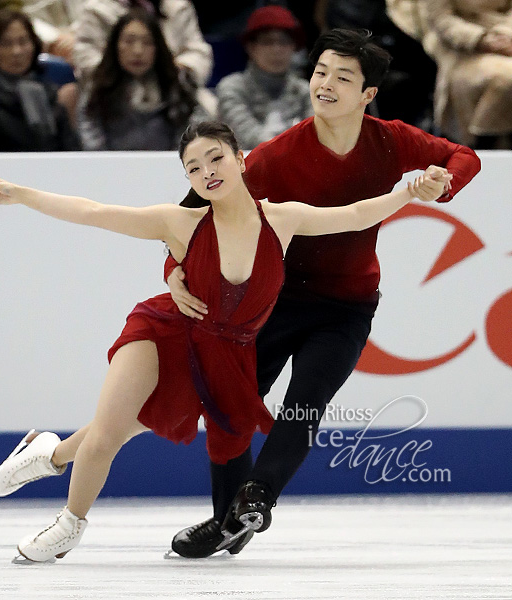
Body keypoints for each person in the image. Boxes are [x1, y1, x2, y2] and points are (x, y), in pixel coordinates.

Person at [0, 120, 448, 563]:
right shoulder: (180, 223)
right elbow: (94, 212)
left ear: (242, 159)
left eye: (216, 158)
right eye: (193, 167)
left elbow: (358, 213)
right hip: (161, 331)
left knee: (131, 426)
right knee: (109, 435)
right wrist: (20, 193)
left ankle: (48, 454)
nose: (207, 171)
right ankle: (70, 524)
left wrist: (410, 191)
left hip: (224, 356)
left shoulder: (280, 219)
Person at [165, 29, 481, 559]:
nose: (326, 84)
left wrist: (440, 182)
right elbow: (194, 211)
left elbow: (464, 155)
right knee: (230, 407)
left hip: (347, 306)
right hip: (275, 302)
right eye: (319, 72)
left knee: (304, 404)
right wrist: (174, 266)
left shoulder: (392, 139)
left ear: (368, 94)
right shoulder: (275, 156)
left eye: (343, 77)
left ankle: (255, 500)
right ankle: (227, 522)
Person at [77, 9, 199, 151]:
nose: (138, 51)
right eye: (129, 41)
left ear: (158, 47)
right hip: (111, 167)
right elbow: (91, 137)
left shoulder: (178, 84)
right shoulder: (97, 86)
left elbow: (191, 133)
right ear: (115, 45)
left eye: (147, 42)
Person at [0, 9, 80, 152]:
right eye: (6, 44)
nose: (16, 51)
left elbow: (71, 149)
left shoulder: (49, 95)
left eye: (23, 42)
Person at [216, 5, 313, 150]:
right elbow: (246, 135)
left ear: (294, 47)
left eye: (284, 41)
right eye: (268, 42)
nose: (276, 49)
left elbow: (316, 136)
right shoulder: (232, 87)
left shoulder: (305, 90)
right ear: (251, 47)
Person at [424, 0, 512, 148]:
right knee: (504, 78)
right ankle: (484, 143)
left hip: (506, 38)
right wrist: (482, 39)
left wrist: (505, 34)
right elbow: (441, 19)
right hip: (461, 47)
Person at [73, 0, 212, 89]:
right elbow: (86, 57)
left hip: (174, 88)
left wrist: (175, 72)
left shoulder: (178, 6)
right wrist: (117, 75)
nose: (138, 51)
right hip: (112, 94)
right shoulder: (96, 9)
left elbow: (197, 51)